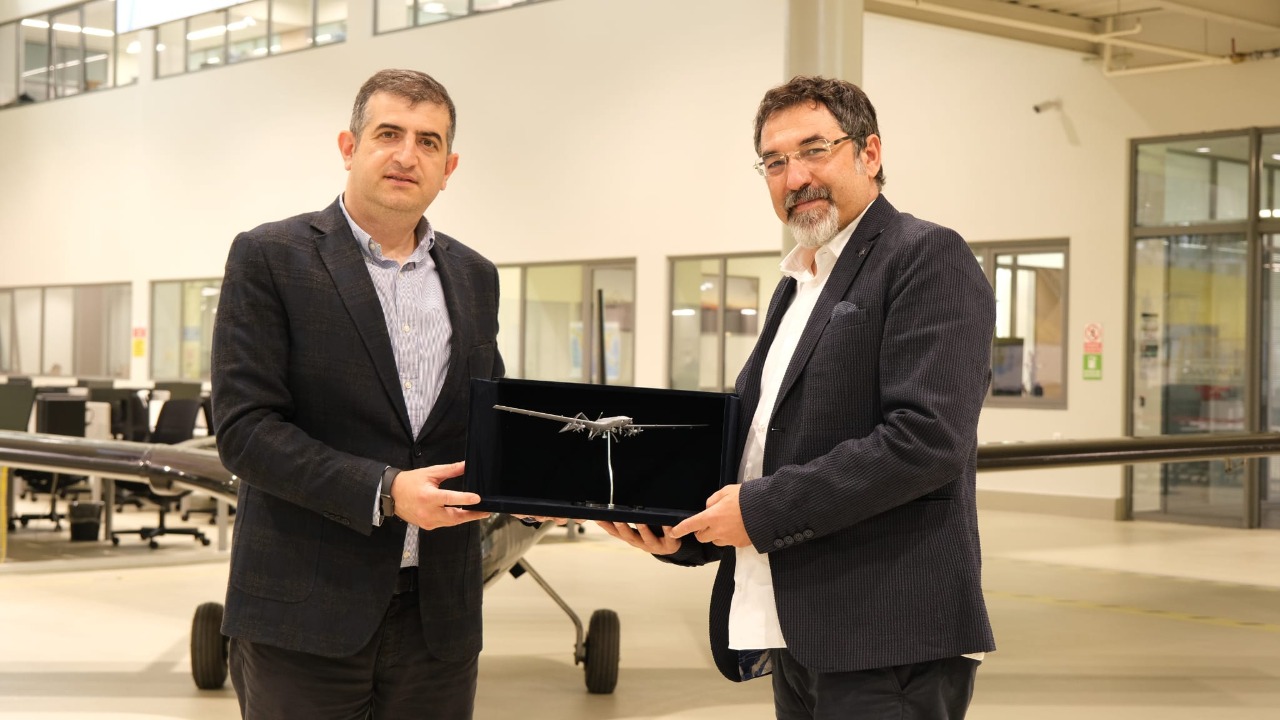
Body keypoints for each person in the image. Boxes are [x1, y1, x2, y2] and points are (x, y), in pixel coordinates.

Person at [599, 75, 997, 719]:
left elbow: (927, 440)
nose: (795, 177)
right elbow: (766, 445)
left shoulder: (925, 255)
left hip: (885, 636)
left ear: (869, 153)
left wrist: (757, 512)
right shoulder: (798, 283)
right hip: (797, 628)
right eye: (775, 161)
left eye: (814, 150)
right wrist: (685, 530)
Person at [211, 68, 502, 719]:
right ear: (349, 147)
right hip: (305, 610)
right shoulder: (270, 257)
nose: (407, 155)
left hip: (440, 618)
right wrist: (386, 490)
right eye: (389, 134)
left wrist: (539, 487)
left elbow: (488, 417)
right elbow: (245, 430)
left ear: (449, 167)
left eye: (428, 142)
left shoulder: (475, 276)